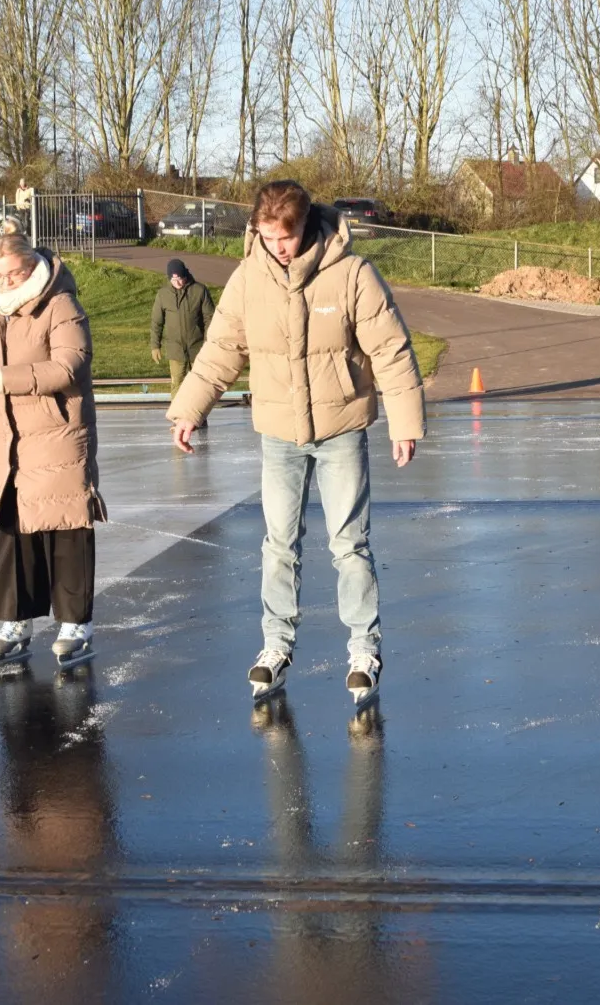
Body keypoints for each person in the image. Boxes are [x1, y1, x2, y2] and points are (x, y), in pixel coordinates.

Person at [166, 180, 425, 705]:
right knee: (278, 545)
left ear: (306, 226)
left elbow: (391, 349)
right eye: (267, 236)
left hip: (341, 430)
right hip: (279, 435)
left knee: (349, 545)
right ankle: (275, 646)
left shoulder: (351, 275)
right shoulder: (247, 280)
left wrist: (404, 421)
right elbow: (220, 350)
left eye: (285, 236)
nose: (277, 247)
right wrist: (189, 408)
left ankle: (363, 650)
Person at [0, 234, 107, 670]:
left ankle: (75, 624)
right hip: (8, 435)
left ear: (32, 269)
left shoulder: (60, 303)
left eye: (12, 273)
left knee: (65, 523)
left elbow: (70, 365)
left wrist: (6, 381)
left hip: (57, 433)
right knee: (13, 527)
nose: (4, 282)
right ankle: (15, 620)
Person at [150, 259, 216, 395]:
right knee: (177, 385)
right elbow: (157, 322)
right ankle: (178, 415)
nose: (177, 283)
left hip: (197, 349)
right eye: (173, 280)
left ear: (185, 275)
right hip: (175, 350)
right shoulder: (163, 295)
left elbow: (210, 318)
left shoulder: (199, 291)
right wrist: (155, 345)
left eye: (179, 279)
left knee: (199, 386)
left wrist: (208, 342)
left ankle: (199, 416)